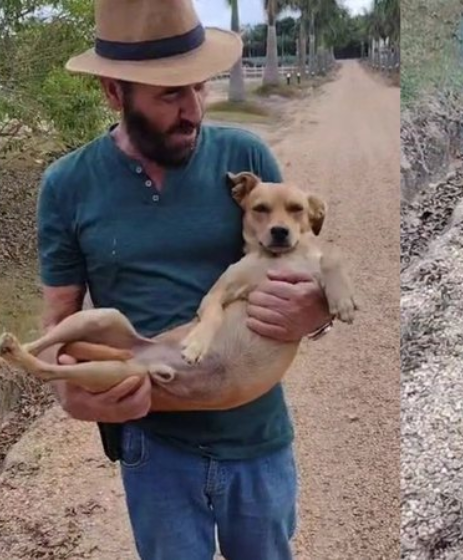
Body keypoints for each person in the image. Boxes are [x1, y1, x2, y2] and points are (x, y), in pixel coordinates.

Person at [35, 1, 335, 559]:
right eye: (170, 95)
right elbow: (57, 319)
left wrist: (315, 313)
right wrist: (70, 397)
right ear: (113, 92)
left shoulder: (244, 156)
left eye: (199, 88)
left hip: (257, 437)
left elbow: (301, 263)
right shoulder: (67, 185)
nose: (194, 109)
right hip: (155, 447)